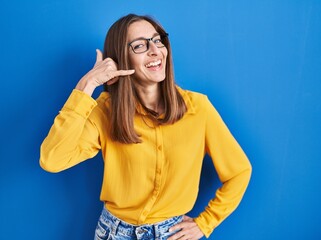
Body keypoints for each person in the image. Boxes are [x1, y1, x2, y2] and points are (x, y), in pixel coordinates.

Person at [40, 13, 252, 240]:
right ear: (121, 58)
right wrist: (87, 84)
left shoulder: (198, 108)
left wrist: (206, 223)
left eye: (158, 40)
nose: (155, 50)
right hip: (113, 232)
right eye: (140, 45)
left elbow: (239, 171)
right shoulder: (105, 110)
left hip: (171, 233)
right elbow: (52, 159)